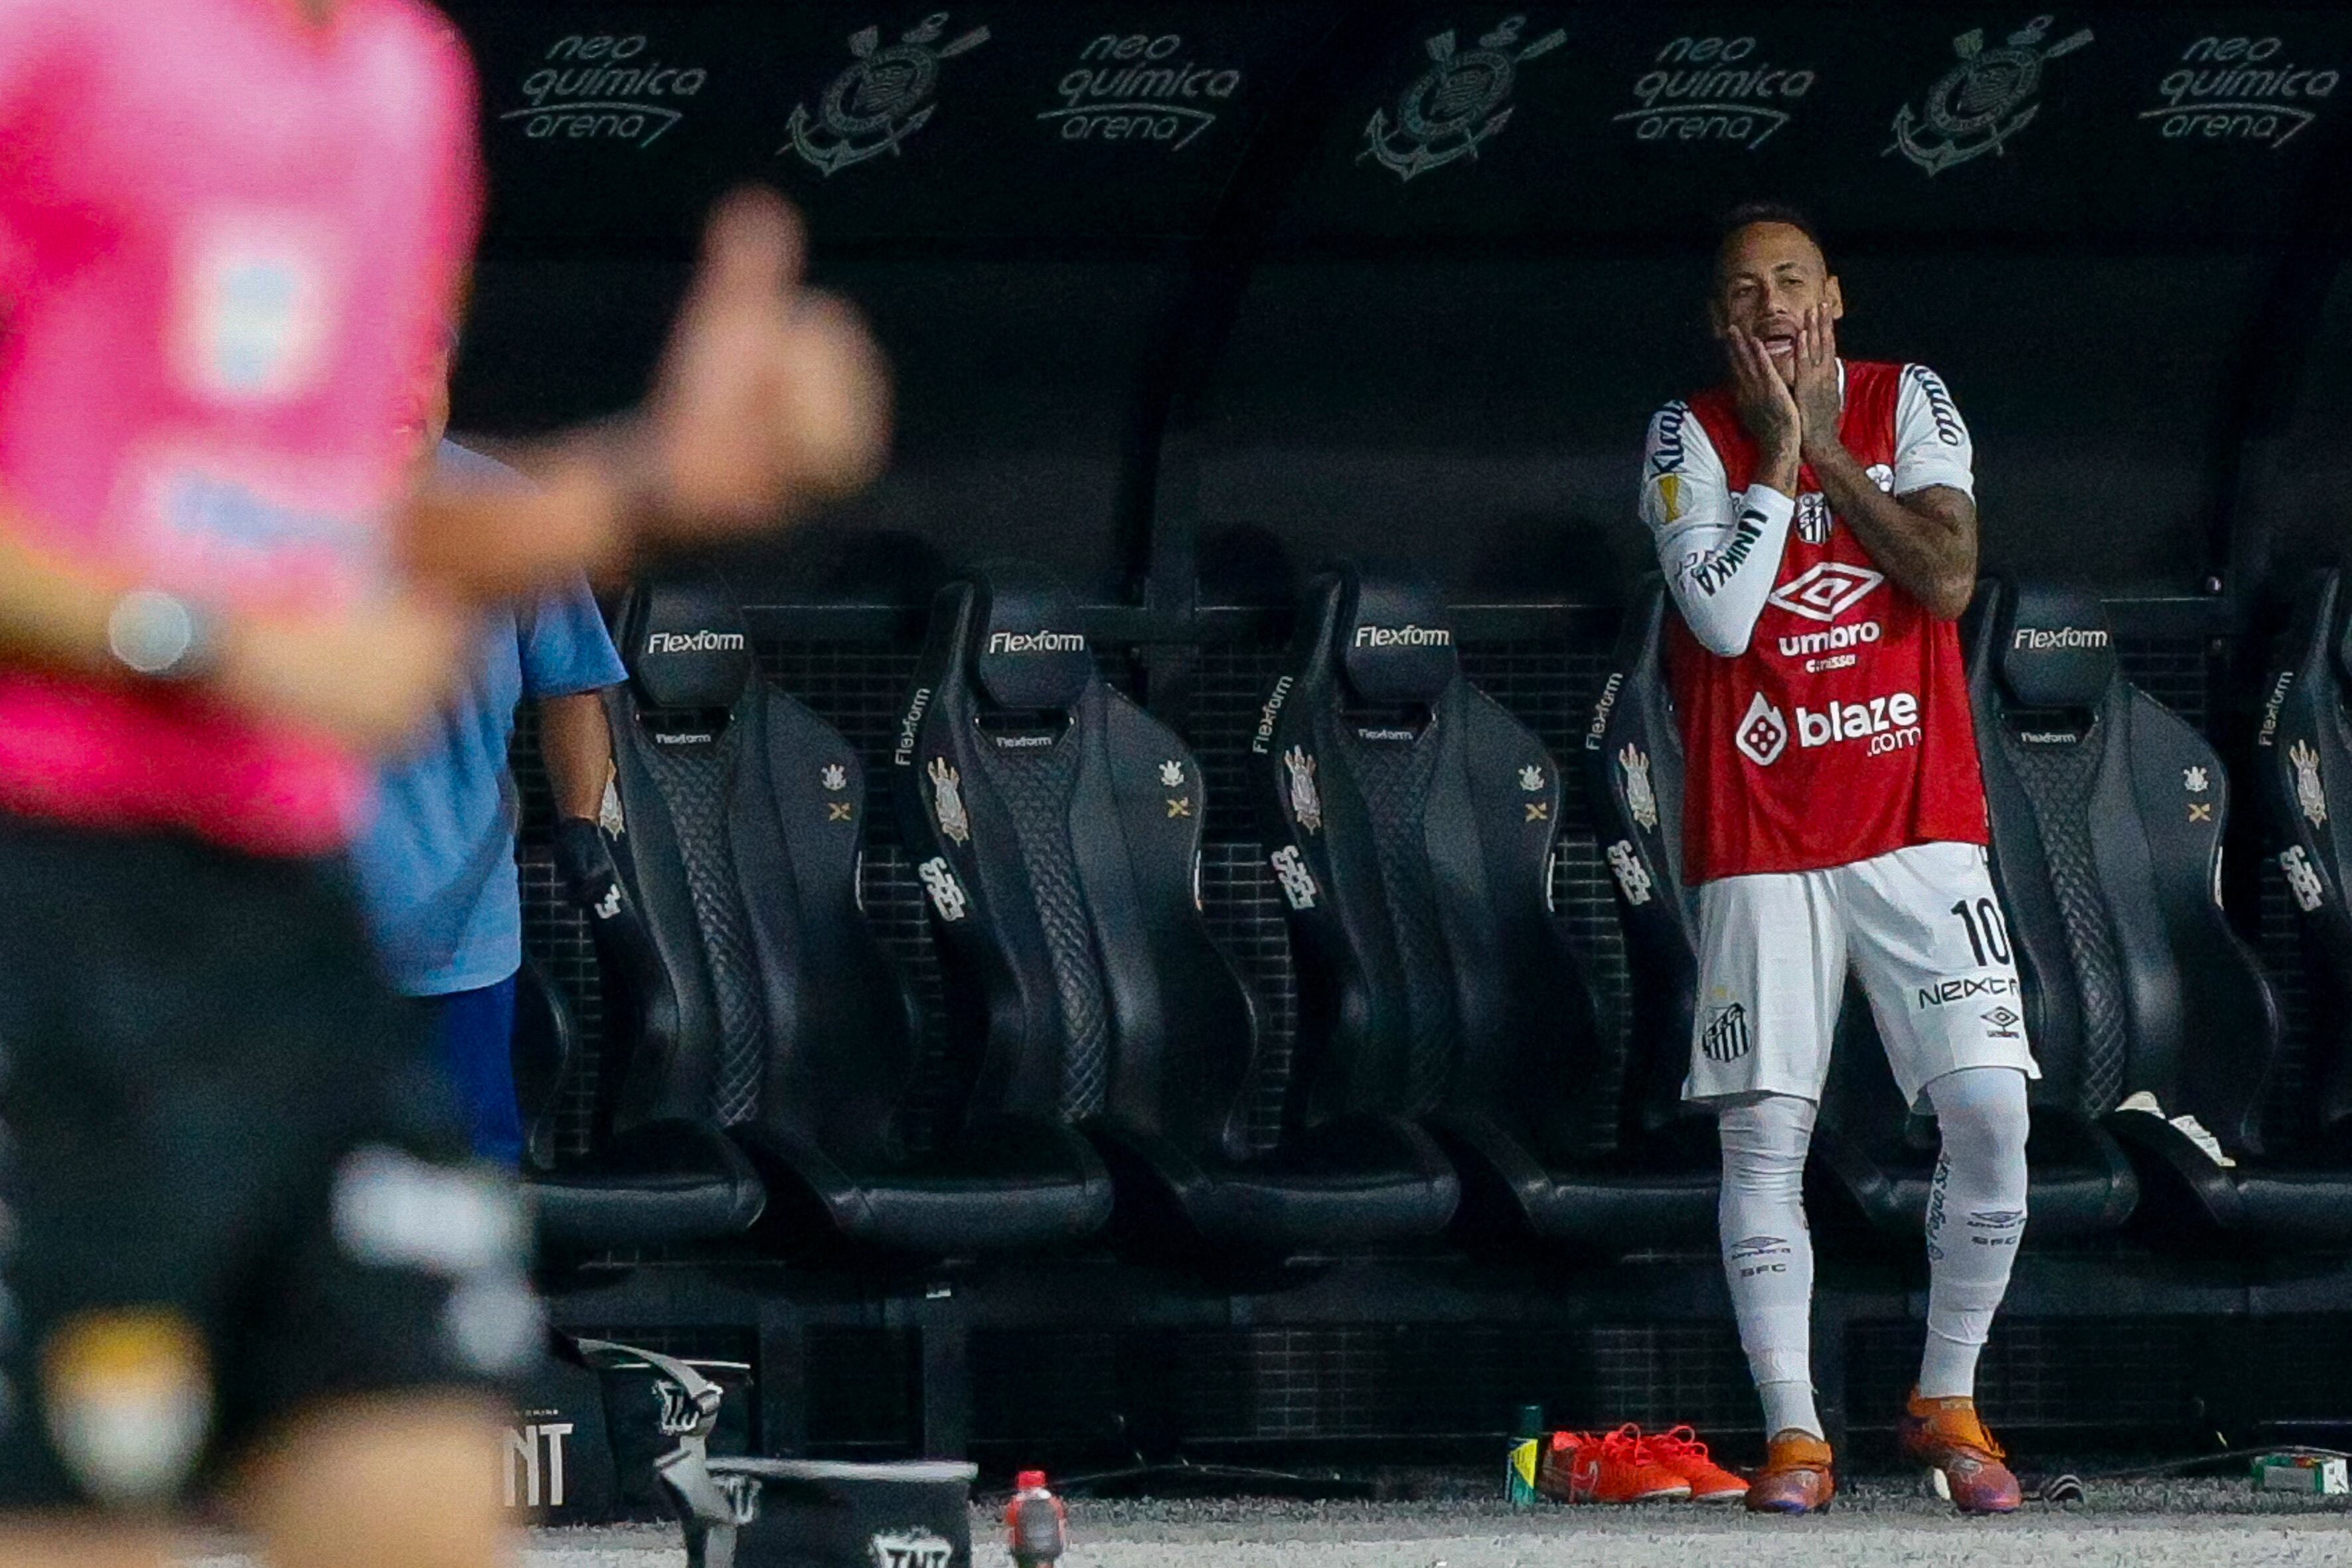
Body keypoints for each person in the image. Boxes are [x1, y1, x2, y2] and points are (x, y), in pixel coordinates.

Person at [0, 1, 887, 1565]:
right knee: (91, 1513)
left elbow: (340, 519)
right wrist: (205, 642)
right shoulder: (54, 48)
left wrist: (648, 480)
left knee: (419, 1490)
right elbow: (220, 590)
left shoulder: (406, 82)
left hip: (289, 917)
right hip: (56, 898)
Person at [1637, 204, 2037, 1516]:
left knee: (1990, 1112)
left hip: (1918, 818)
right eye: (1742, 290)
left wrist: (1828, 456)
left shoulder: (1907, 396)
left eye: (1791, 282)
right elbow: (1719, 608)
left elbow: (1945, 576)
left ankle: (1945, 1397)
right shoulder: (1682, 432)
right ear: (1717, 318)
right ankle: (1796, 1433)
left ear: (1834, 297)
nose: (1770, 306)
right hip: (1760, 831)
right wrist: (1774, 455)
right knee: (1764, 1134)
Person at [352, 340, 626, 1166]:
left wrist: (583, 822)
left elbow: (575, 684)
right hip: (300, 945)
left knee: (471, 1186)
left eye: (425, 359)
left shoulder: (504, 511)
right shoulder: (272, 498)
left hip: (459, 944)